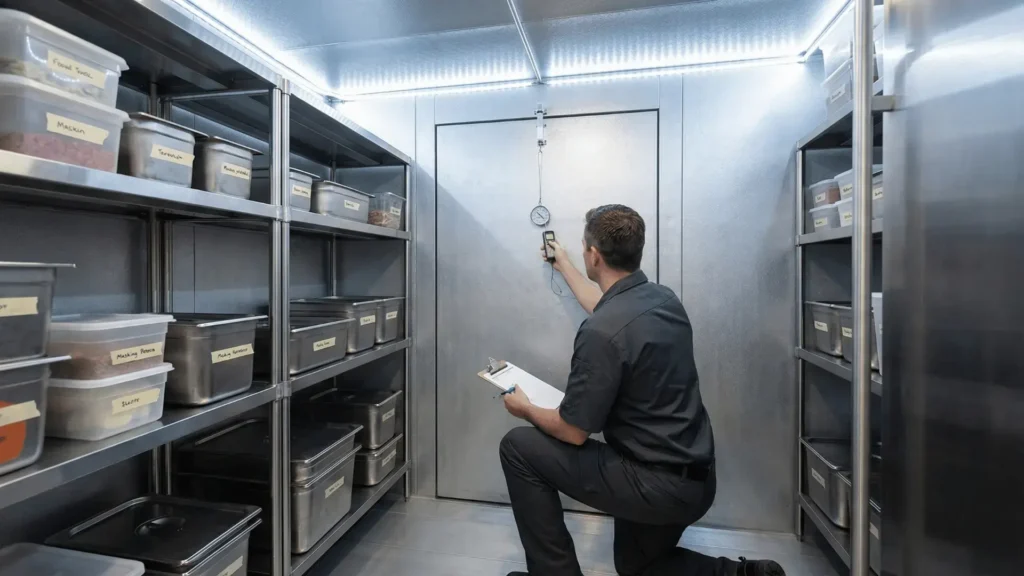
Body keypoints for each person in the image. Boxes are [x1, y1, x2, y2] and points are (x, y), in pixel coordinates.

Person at [499, 204, 785, 576]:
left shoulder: (601, 333)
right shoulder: (663, 299)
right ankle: (744, 574)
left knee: (518, 447)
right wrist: (563, 264)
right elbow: (605, 306)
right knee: (637, 567)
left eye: (584, 247)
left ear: (594, 255)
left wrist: (526, 408)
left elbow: (572, 431)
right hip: (697, 479)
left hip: (653, 484)